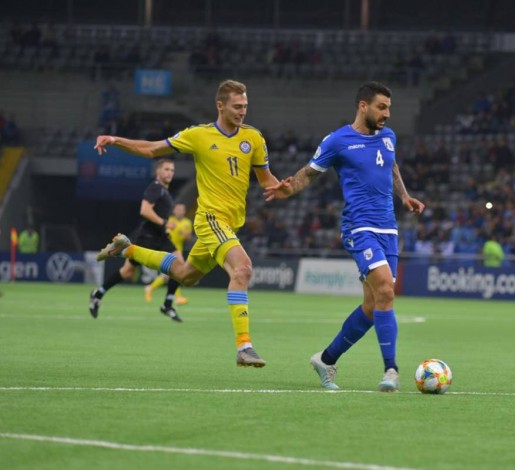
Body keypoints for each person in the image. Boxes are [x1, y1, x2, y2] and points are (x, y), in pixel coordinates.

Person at [93, 79, 281, 367]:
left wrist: (284, 187)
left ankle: (127, 249)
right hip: (210, 219)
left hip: (231, 224)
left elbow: (267, 181)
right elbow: (153, 149)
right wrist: (117, 140)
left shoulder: (253, 138)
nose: (242, 111)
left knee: (185, 275)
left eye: (245, 106)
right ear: (220, 106)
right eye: (237, 106)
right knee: (242, 269)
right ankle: (244, 347)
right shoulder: (198, 135)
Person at [264, 81, 425, 391]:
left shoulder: (388, 137)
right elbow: (309, 172)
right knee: (386, 290)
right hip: (359, 227)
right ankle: (391, 369)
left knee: (373, 304)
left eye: (389, 108)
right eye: (381, 107)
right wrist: (288, 189)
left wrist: (404, 196)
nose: (387, 114)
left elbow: (391, 166)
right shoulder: (338, 140)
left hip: (388, 229)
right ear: (363, 106)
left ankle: (325, 359)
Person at [89, 159, 184, 322]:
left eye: (172, 170)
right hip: (147, 237)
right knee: (127, 272)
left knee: (180, 265)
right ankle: (97, 294)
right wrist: (164, 223)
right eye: (166, 169)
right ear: (158, 172)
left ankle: (167, 305)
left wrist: (165, 227)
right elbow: (145, 210)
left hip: (161, 236)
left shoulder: (165, 192)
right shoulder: (155, 188)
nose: (170, 173)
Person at [144, 203, 193, 305]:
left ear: (184, 211)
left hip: (178, 251)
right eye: (178, 209)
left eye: (181, 209)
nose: (179, 211)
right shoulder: (169, 220)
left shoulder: (187, 222)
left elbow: (188, 238)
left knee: (170, 275)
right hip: (168, 250)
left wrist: (183, 233)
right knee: (175, 273)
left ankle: (151, 288)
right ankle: (177, 297)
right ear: (174, 210)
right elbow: (162, 233)